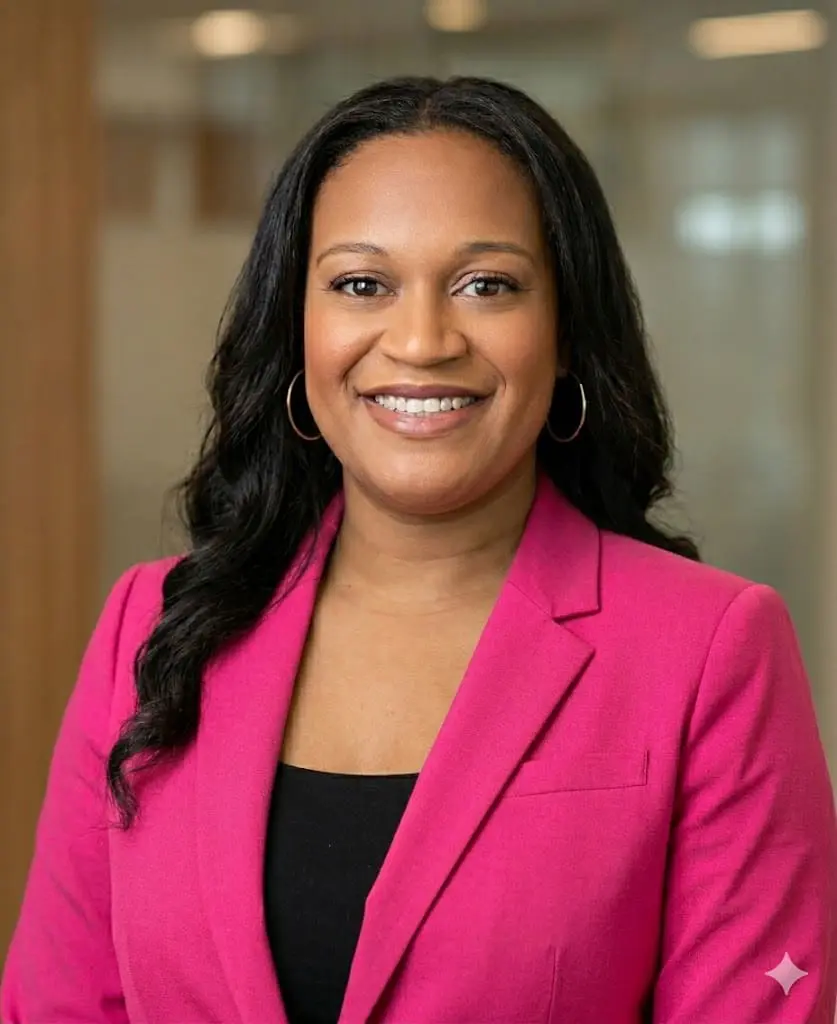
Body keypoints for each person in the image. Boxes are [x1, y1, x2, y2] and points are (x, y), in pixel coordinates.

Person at [2, 75, 835, 1024]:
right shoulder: (150, 628)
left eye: (487, 285)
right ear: (297, 327)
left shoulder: (708, 649)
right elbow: (61, 1004)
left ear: (564, 332)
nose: (422, 339)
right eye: (362, 283)